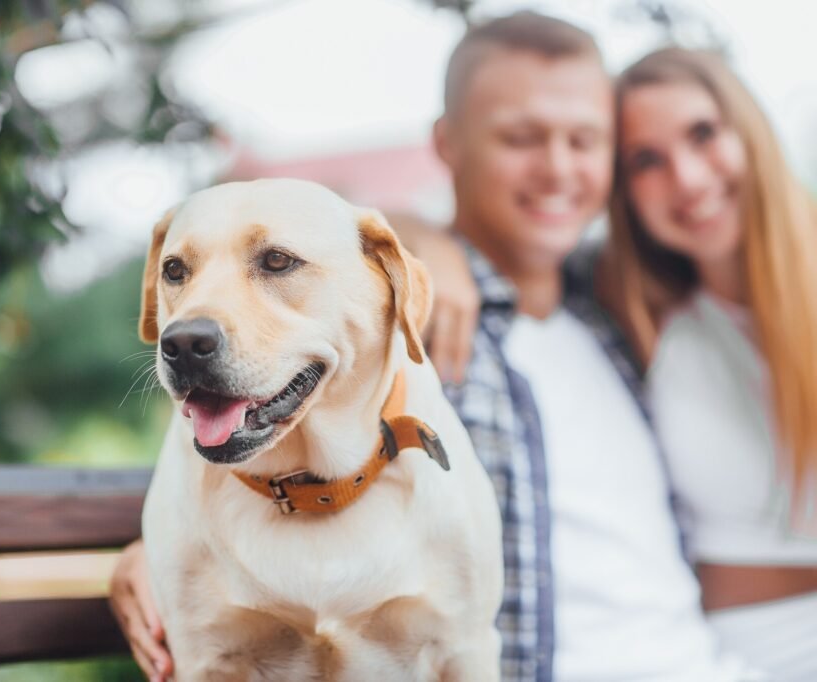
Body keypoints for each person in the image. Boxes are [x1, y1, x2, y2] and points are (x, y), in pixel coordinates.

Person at [110, 13, 746, 681]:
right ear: (449, 144)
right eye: (520, 137)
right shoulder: (418, 315)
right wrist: (158, 550)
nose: (558, 168)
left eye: (585, 139)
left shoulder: (622, 306)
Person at [605, 47, 817, 682]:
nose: (690, 179)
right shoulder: (630, 310)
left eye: (703, 134)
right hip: (728, 656)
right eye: (647, 161)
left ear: (745, 129)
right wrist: (431, 245)